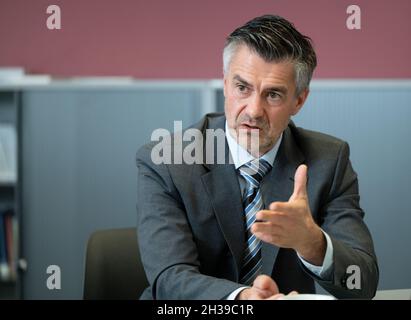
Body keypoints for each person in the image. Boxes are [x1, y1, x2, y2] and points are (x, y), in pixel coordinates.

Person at [136, 14, 379, 300]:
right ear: (226, 85)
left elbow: (361, 283)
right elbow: (168, 280)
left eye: (273, 95)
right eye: (242, 88)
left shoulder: (329, 161)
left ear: (299, 101)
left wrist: (312, 243)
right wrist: (242, 299)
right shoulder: (168, 161)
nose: (253, 110)